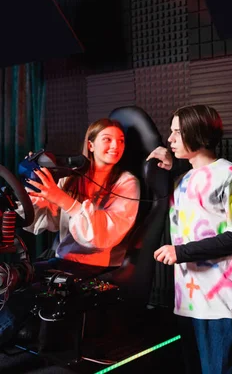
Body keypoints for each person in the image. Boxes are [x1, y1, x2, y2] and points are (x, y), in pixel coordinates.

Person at [0, 118, 140, 344]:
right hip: (62, 260)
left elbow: (104, 236)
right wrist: (36, 195)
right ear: (91, 145)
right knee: (8, 279)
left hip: (98, 265)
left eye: (120, 141)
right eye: (108, 139)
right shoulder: (71, 178)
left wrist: (63, 199)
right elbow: (47, 219)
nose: (115, 146)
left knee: (25, 296)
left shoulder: (127, 183)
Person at [148, 104, 232, 374]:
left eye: (177, 132)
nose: (170, 139)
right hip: (187, 302)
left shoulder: (228, 174)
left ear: (197, 133)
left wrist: (181, 252)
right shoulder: (182, 179)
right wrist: (168, 165)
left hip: (221, 304)